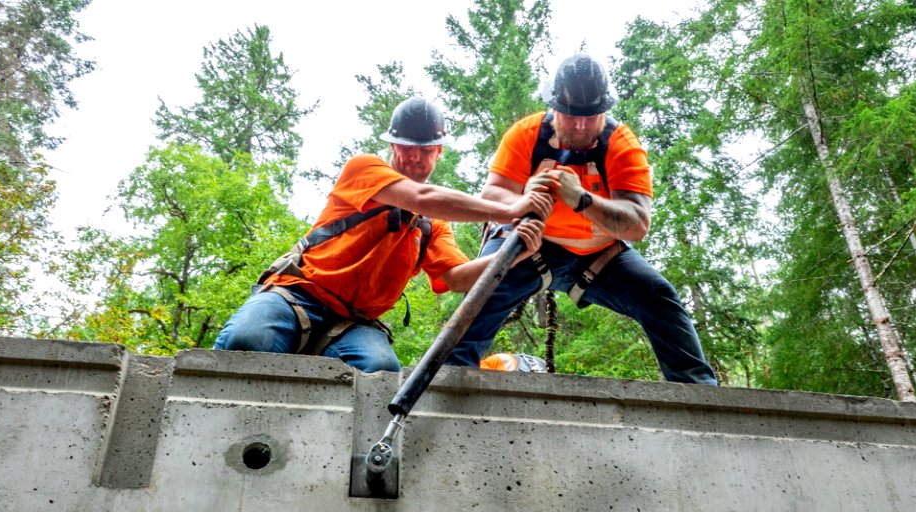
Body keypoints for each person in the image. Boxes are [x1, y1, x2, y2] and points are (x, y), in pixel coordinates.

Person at [213, 97, 552, 373]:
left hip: (353, 323)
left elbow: (458, 278)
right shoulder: (364, 169)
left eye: (425, 149)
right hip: (295, 297)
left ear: (438, 152)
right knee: (247, 340)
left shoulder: (433, 224)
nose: (414, 157)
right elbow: (420, 197)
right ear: (392, 144)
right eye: (406, 147)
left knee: (381, 371)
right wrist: (508, 209)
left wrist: (514, 251)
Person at [446, 54, 718, 385]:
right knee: (485, 288)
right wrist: (524, 199)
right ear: (553, 107)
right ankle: (448, 377)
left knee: (658, 296)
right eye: (570, 115)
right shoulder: (526, 135)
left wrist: (582, 200)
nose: (579, 125)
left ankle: (699, 394)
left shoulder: (621, 144)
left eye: (590, 117)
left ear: (604, 111)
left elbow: (637, 223)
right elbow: (492, 197)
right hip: (528, 246)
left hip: (599, 255)